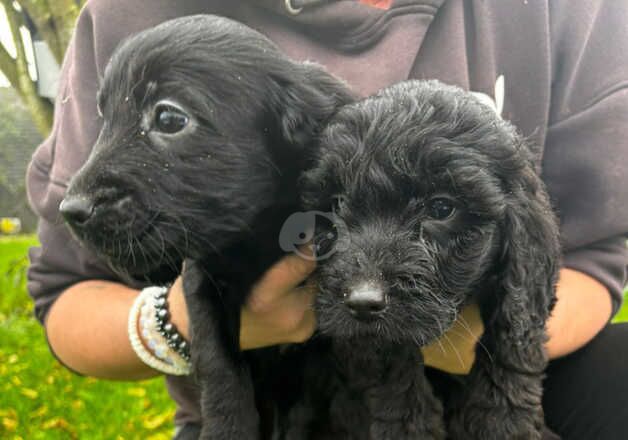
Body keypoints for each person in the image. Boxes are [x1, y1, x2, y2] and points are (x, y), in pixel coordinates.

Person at [26, 0, 628, 438]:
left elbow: (594, 259)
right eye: (338, 208)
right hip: (259, 409)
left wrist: (488, 356)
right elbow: (65, 292)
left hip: (495, 372)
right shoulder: (127, 16)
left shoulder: (564, 13)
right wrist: (187, 324)